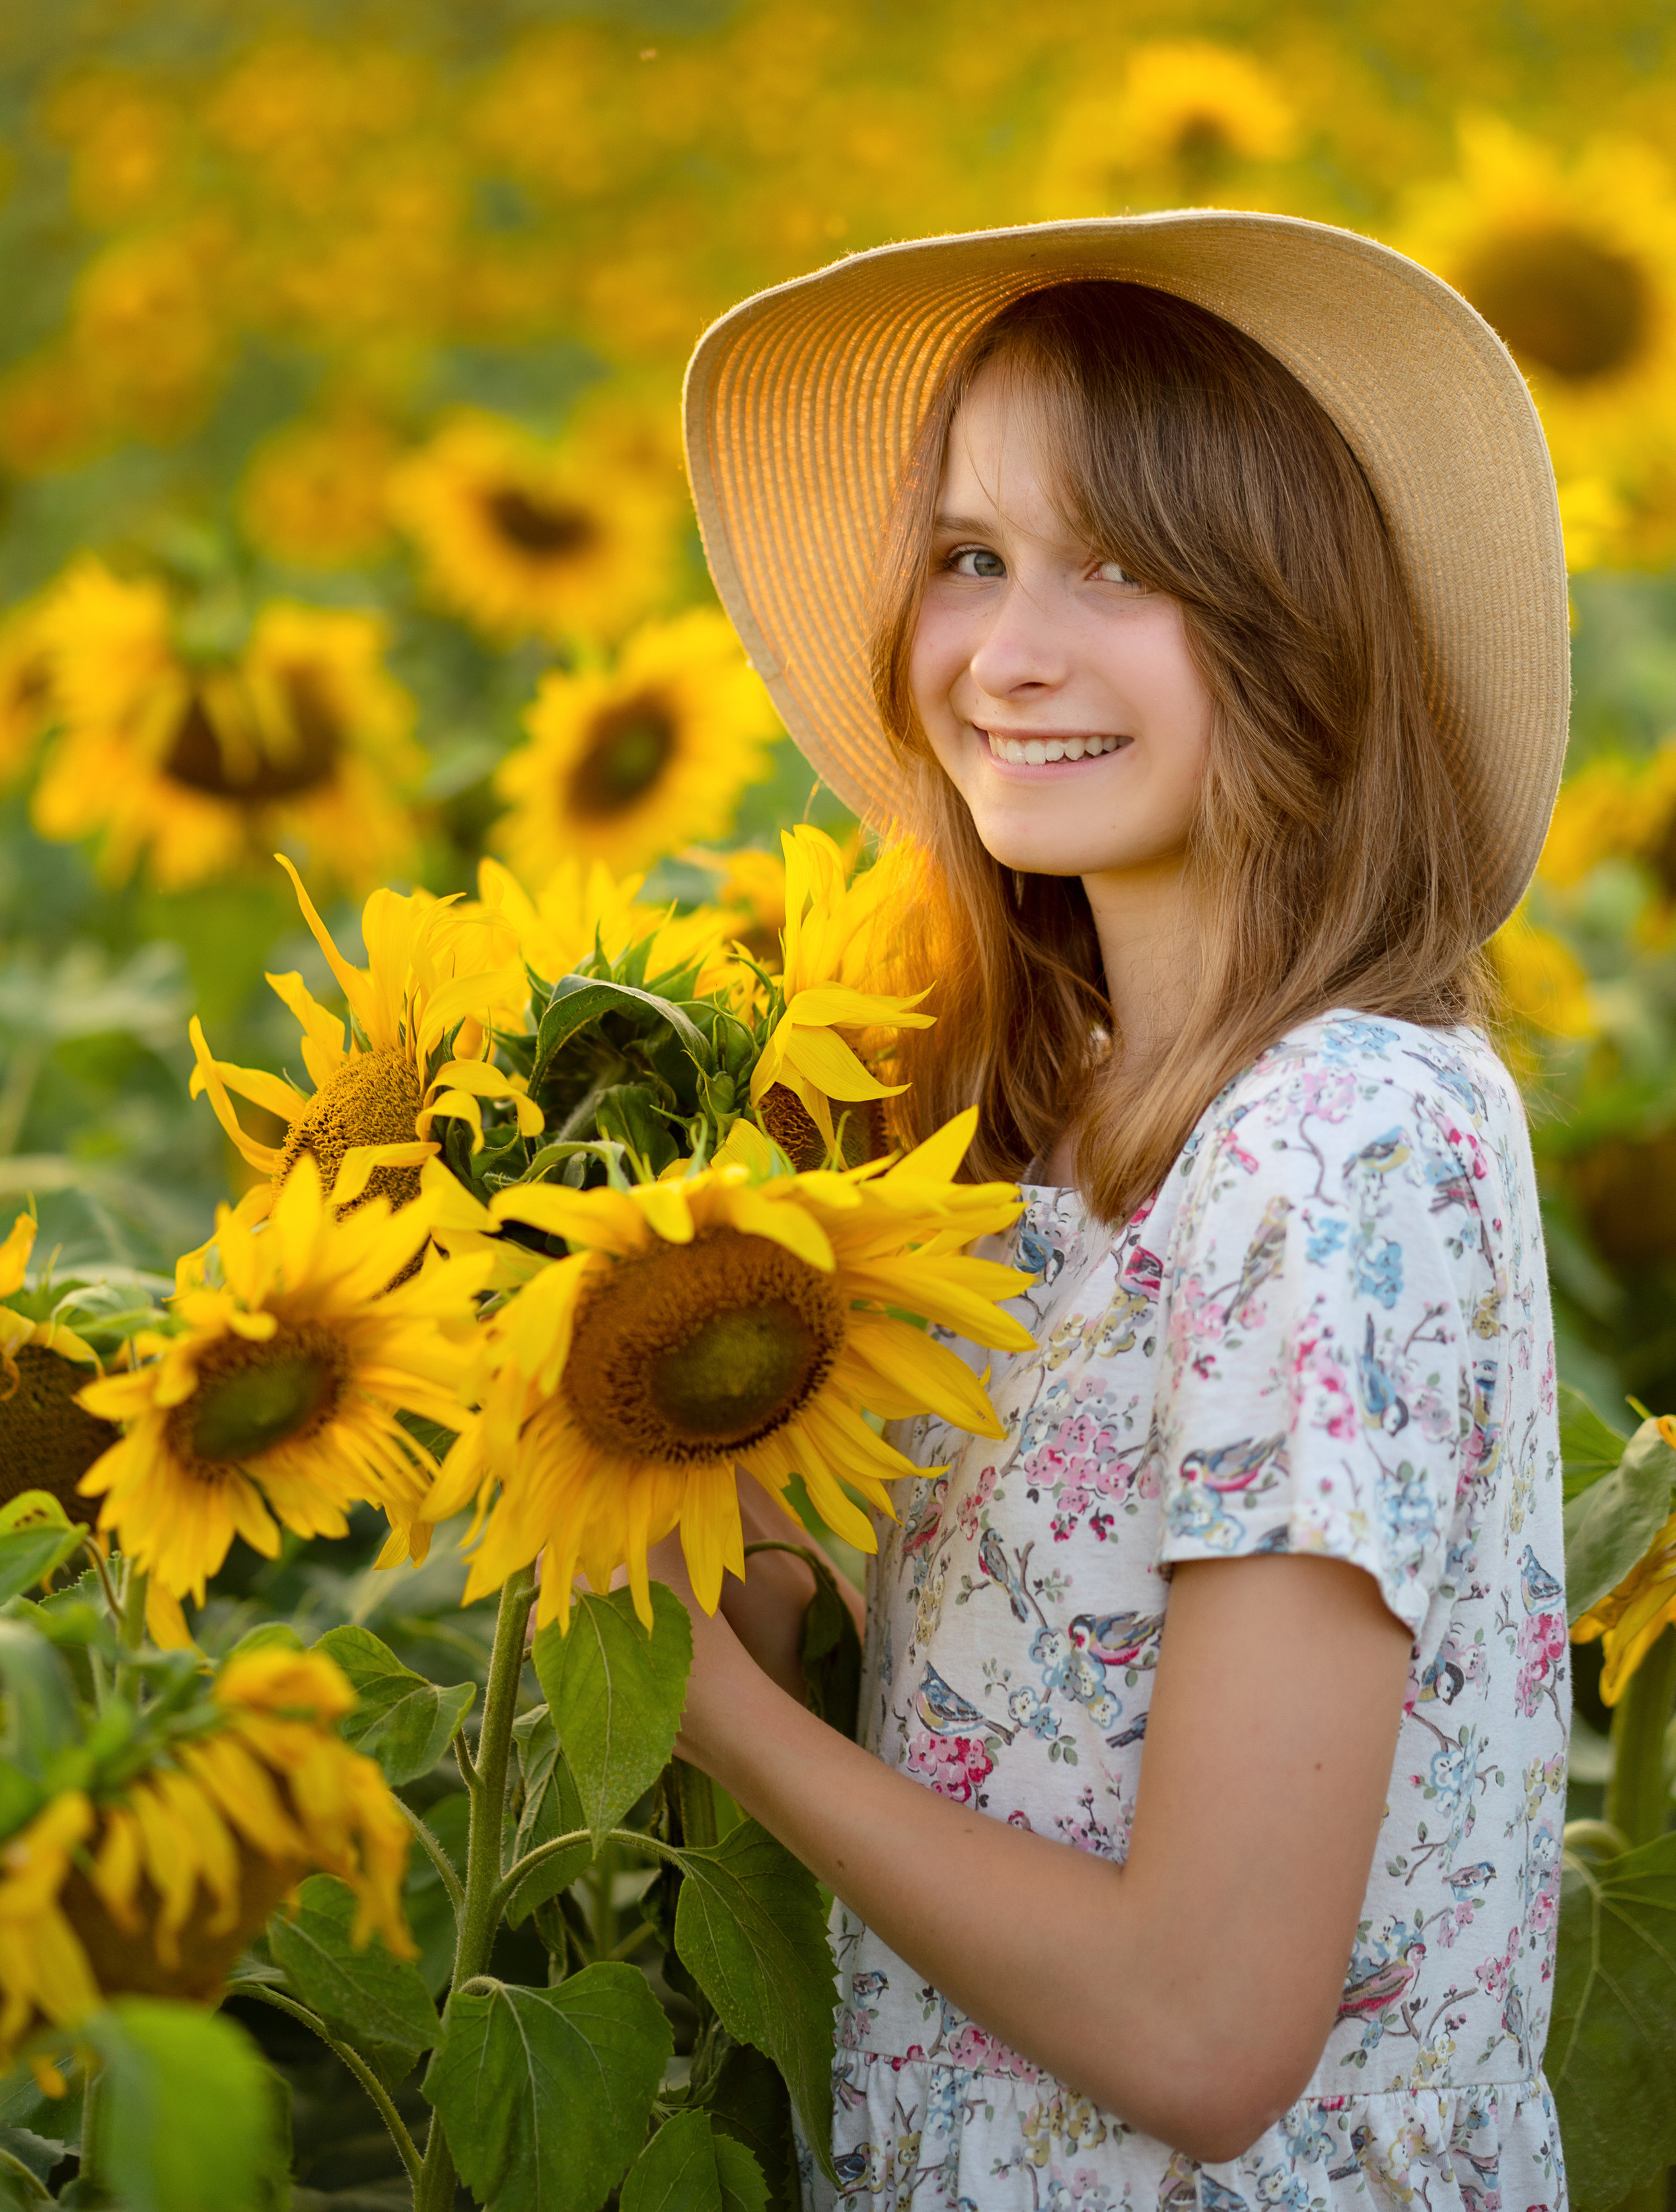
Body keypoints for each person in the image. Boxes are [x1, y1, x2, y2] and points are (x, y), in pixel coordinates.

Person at [671, 215, 1572, 2212]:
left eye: (1127, 568)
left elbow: (1204, 2029)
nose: (1006, 654)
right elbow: (987, 1696)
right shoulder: (1045, 1133)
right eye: (972, 557)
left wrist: (715, 1718)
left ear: (1298, 625)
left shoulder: (1335, 1143)